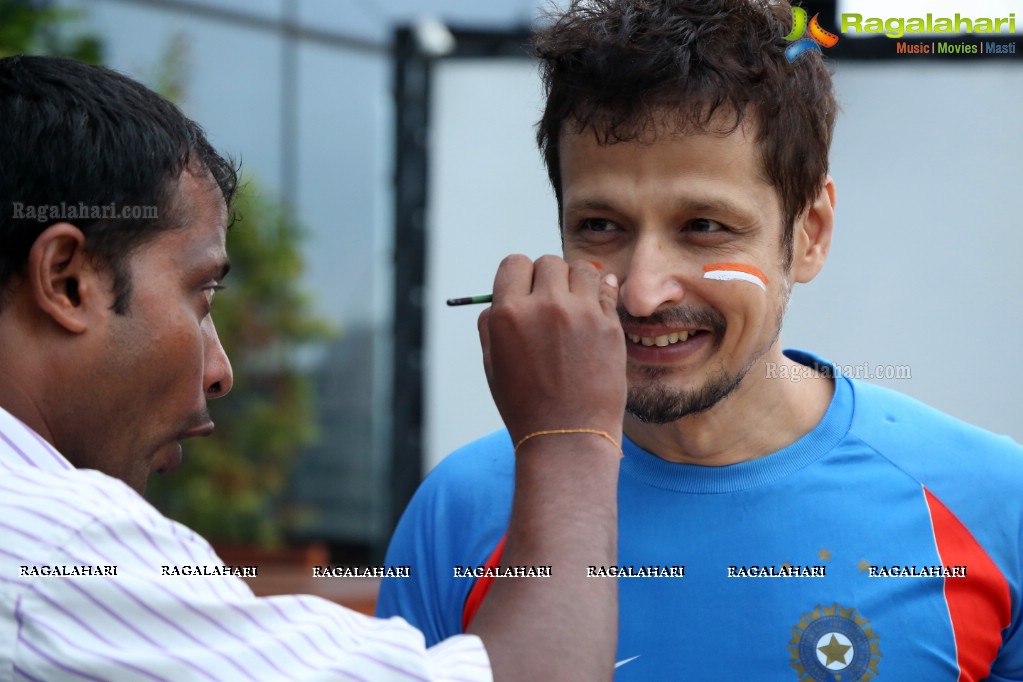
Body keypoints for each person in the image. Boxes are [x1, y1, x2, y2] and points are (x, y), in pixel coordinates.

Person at [376, 1, 1023, 679]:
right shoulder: (459, 509)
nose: (642, 291)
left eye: (704, 226)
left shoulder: (990, 503)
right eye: (600, 225)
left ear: (810, 234)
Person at [0, 54, 627, 681]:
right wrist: (570, 438)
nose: (221, 373)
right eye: (200, 295)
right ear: (67, 279)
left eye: (704, 226)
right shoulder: (59, 548)